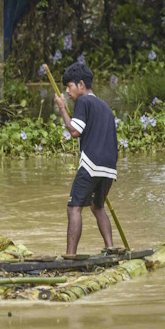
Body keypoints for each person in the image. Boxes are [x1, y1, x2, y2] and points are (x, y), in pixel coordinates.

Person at [53, 62, 118, 255]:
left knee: (74, 208)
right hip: (109, 168)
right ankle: (110, 247)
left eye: (69, 86)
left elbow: (74, 131)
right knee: (98, 207)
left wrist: (63, 109)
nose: (67, 91)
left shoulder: (83, 102)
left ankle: (70, 256)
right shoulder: (105, 107)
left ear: (81, 85)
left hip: (91, 164)